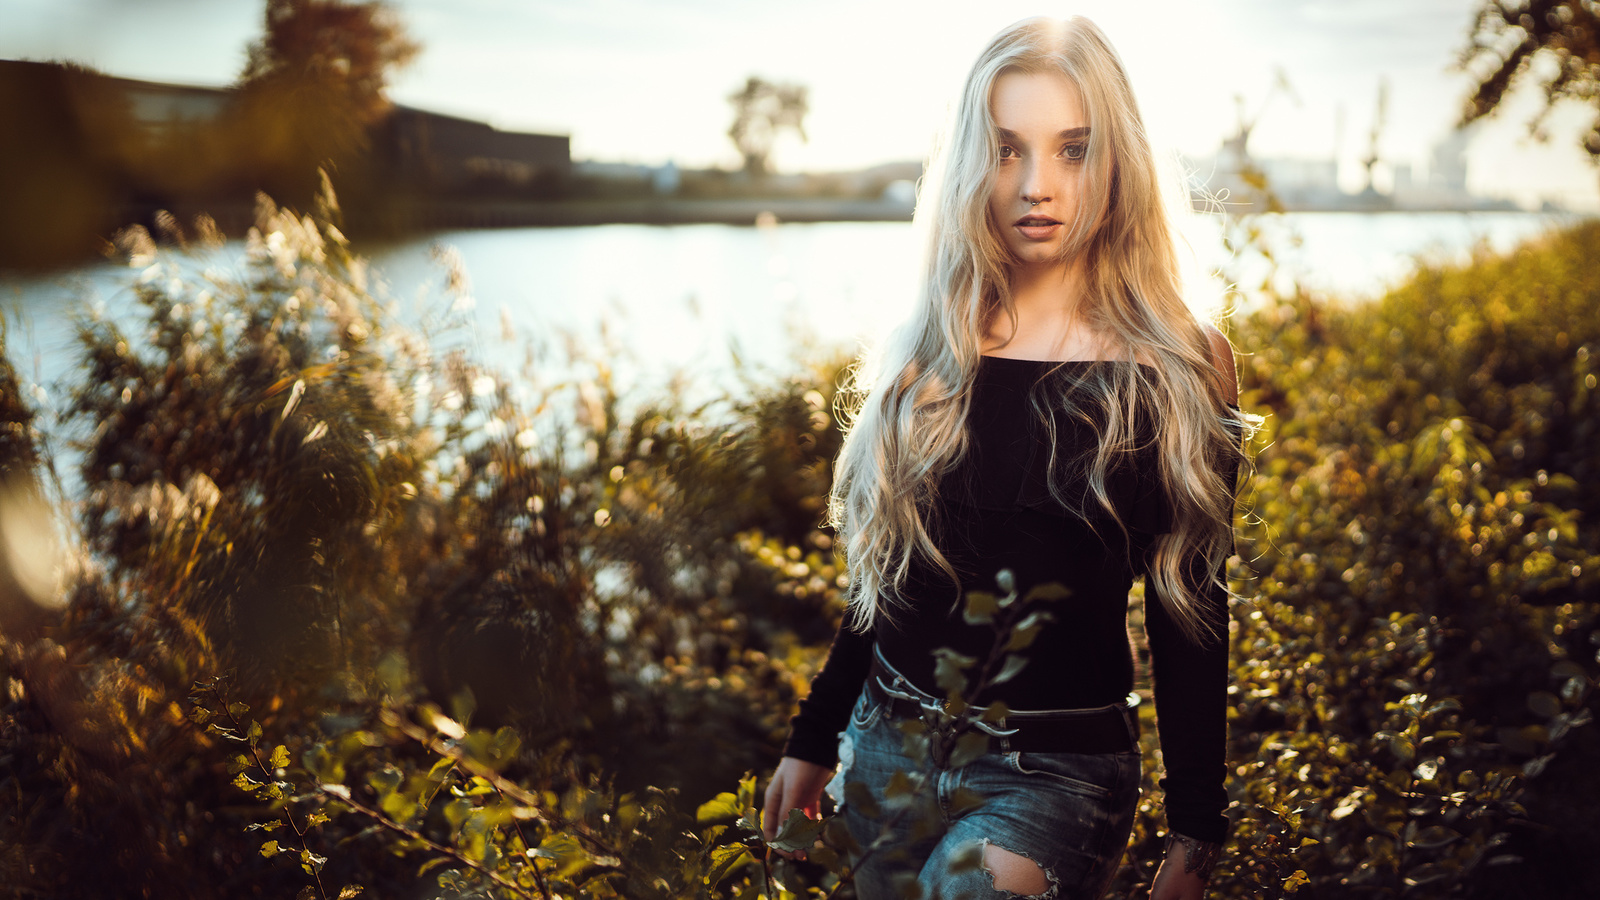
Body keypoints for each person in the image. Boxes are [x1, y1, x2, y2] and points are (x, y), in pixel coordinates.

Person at [760, 15, 1253, 900]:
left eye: (1073, 150)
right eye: (1005, 150)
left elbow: (1192, 611)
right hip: (884, 748)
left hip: (1054, 772)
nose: (1037, 186)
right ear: (969, 166)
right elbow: (889, 580)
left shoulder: (1182, 364)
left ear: (1119, 161)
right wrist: (813, 736)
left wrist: (1195, 834)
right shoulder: (933, 346)